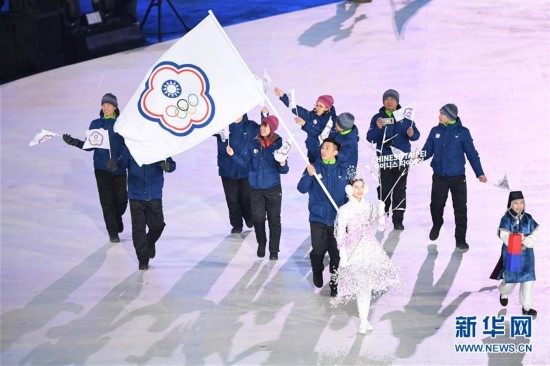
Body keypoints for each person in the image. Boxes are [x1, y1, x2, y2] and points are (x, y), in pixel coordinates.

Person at [331, 177, 401, 333]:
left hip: (370, 249)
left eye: (362, 187)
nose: (359, 190)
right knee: (362, 285)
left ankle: (364, 320)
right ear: (350, 189)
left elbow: (381, 227)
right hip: (353, 251)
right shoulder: (345, 210)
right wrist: (342, 254)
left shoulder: (369, 207)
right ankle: (363, 321)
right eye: (356, 187)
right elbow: (340, 233)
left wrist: (381, 211)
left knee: (366, 286)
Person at [62, 93, 128, 243]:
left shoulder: (122, 124)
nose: (105, 107)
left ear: (115, 107)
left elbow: (128, 148)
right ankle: (113, 233)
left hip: (118, 170)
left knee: (121, 201)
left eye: (109, 105)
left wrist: (118, 161)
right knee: (107, 202)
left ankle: (117, 218)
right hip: (101, 169)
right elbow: (89, 146)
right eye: (103, 105)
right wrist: (74, 142)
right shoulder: (95, 124)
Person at [421, 103, 487, 250]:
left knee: (460, 209)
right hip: (439, 177)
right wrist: (416, 157)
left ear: (450, 116)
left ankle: (460, 239)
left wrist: (479, 172)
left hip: (458, 178)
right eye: (440, 113)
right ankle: (437, 224)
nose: (439, 116)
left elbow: (471, 153)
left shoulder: (463, 132)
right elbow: (427, 151)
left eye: (442, 114)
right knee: (436, 206)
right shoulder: (435, 131)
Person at [227, 115, 289, 260]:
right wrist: (233, 155)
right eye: (261, 125)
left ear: (272, 129)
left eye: (265, 126)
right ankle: (262, 243)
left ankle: (274, 251)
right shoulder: (253, 143)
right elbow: (246, 163)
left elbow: (284, 170)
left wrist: (282, 164)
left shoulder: (279, 145)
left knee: (274, 220)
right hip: (255, 189)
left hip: (273, 189)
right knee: (258, 219)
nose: (261, 128)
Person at [107, 148, 176, 270]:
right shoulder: (130, 148)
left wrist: (169, 167)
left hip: (154, 195)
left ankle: (149, 242)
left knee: (158, 226)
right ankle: (143, 260)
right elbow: (120, 167)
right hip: (136, 196)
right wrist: (114, 167)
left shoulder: (159, 146)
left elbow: (171, 163)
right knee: (138, 229)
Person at [297, 138, 348, 296]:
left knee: (336, 255)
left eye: (327, 148)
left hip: (337, 220)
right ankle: (317, 270)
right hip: (318, 218)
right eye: (322, 147)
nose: (323, 150)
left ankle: (335, 285)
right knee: (318, 252)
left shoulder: (343, 171)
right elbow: (301, 188)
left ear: (335, 152)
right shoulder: (313, 168)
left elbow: (349, 196)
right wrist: (309, 175)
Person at [366, 89, 420, 231]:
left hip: (402, 160)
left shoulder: (406, 116)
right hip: (385, 159)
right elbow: (370, 137)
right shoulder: (377, 118)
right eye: (387, 99)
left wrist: (412, 134)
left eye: (392, 99)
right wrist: (378, 128)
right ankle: (383, 215)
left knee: (400, 189)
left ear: (397, 101)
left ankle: (398, 220)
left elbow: (416, 135)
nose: (389, 101)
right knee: (384, 188)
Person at [490, 191, 540, 316]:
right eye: (516, 203)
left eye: (521, 203)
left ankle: (527, 307)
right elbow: (504, 234)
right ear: (510, 204)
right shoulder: (506, 219)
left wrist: (528, 241)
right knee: (511, 279)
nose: (519, 206)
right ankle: (503, 291)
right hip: (512, 253)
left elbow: (536, 231)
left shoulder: (528, 218)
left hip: (527, 255)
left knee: (528, 280)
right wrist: (517, 242)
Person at [215, 114, 260, 234]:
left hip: (245, 169)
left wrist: (263, 114)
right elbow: (206, 128)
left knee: (246, 197)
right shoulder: (222, 125)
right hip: (227, 169)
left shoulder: (251, 126)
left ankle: (249, 217)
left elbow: (264, 131)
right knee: (232, 199)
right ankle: (236, 224)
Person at [274, 87, 337, 163]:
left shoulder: (332, 121)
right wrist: (282, 96)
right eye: (317, 105)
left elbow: (321, 135)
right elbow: (296, 110)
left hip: (325, 156)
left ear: (327, 108)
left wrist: (305, 124)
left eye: (321, 106)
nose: (317, 108)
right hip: (312, 153)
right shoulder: (312, 115)